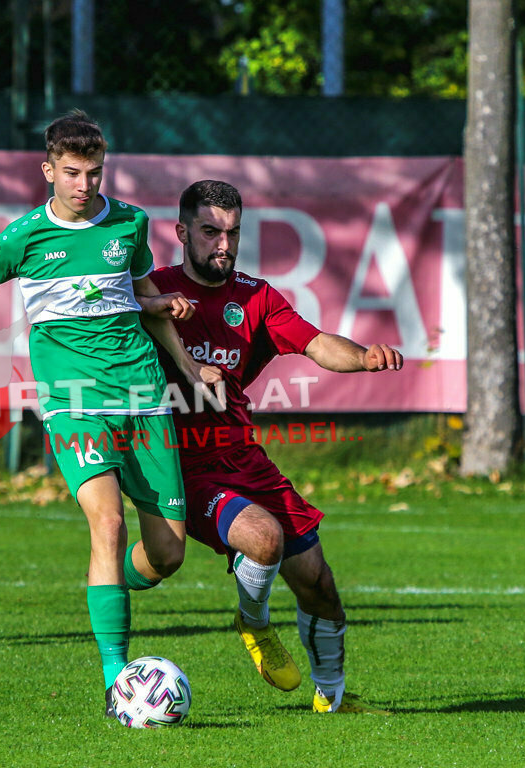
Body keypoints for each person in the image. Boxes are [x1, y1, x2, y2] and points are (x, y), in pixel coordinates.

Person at [0, 110, 220, 719]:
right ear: (47, 170)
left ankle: (110, 585)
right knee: (106, 523)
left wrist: (192, 372)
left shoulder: (131, 225)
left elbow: (146, 305)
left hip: (144, 395)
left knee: (167, 555)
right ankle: (118, 677)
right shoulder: (22, 239)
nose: (84, 184)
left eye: (94, 172)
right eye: (71, 172)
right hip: (74, 403)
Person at [148, 179, 402, 714]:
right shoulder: (156, 290)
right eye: (210, 231)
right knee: (263, 540)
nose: (223, 244)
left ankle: (331, 699)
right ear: (181, 233)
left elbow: (315, 343)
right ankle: (255, 624)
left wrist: (361, 358)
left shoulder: (255, 295)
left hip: (244, 457)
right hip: (182, 466)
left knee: (320, 585)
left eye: (233, 233)